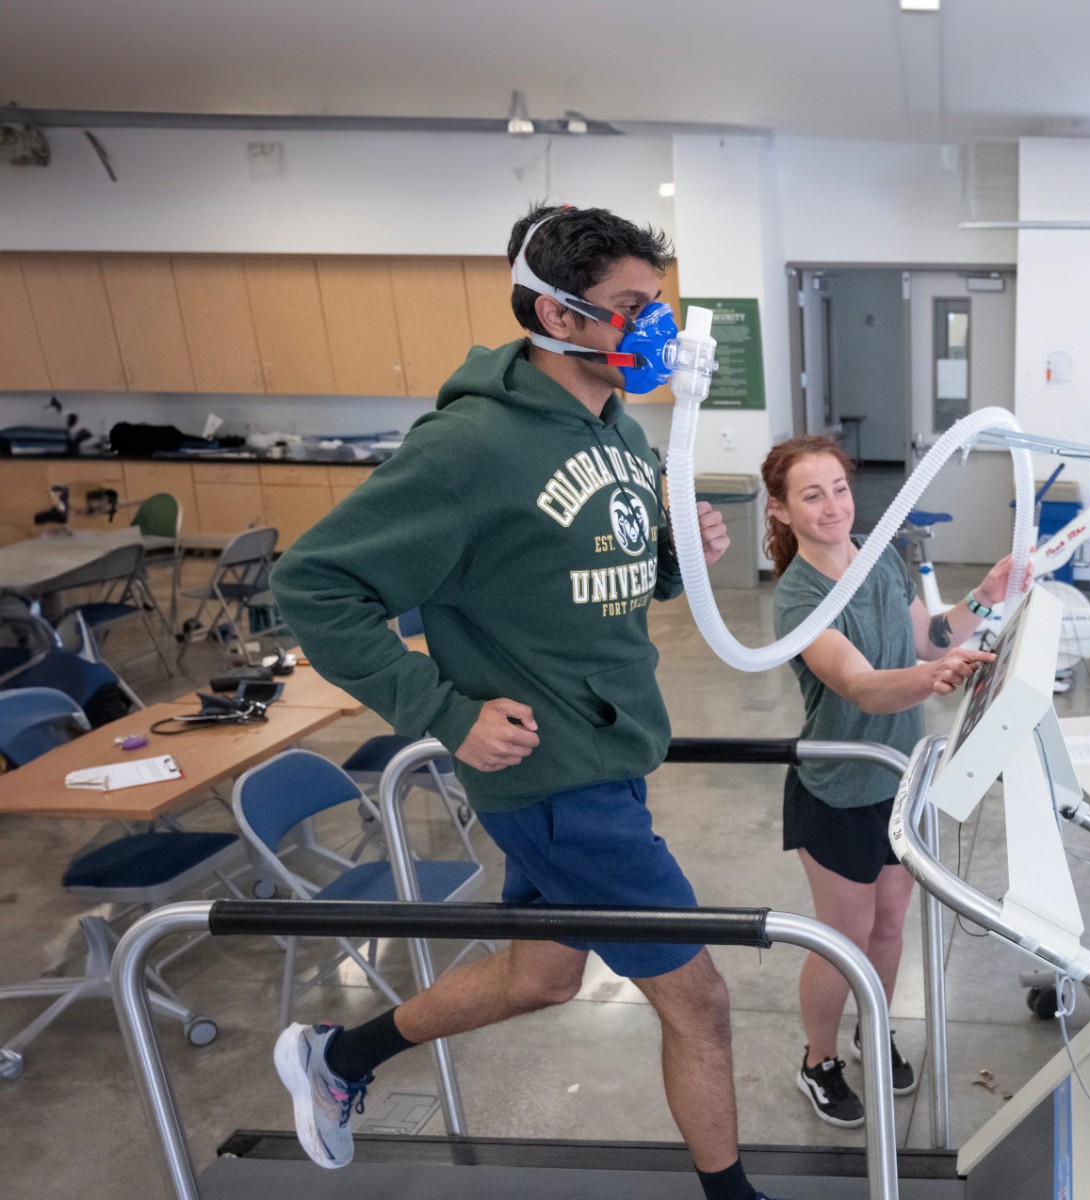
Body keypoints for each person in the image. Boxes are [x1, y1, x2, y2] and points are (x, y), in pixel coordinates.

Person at [268, 204, 788, 1200]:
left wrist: (675, 555)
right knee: (701, 999)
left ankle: (336, 1058)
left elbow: (594, 573)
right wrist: (444, 709)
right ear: (556, 311)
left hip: (614, 753)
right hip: (556, 777)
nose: (654, 328)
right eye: (630, 307)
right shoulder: (471, 448)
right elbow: (314, 585)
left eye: (656, 304)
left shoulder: (617, 424)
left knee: (539, 977)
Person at [762, 435, 1021, 1127]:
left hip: (900, 779)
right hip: (840, 787)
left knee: (889, 922)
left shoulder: (879, 558)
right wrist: (931, 680)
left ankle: (871, 1026)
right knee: (842, 933)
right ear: (781, 512)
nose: (832, 506)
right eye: (811, 496)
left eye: (839, 489)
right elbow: (862, 686)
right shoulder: (798, 600)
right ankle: (817, 1061)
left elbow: (928, 638)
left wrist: (983, 600)